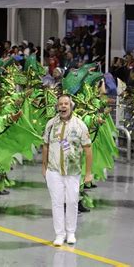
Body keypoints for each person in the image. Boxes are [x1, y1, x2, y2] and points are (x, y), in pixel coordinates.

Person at [42, 94, 93, 246]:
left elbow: (88, 149)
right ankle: (59, 234)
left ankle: (71, 232)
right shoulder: (50, 124)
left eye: (66, 104)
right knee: (57, 202)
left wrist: (88, 173)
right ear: (57, 107)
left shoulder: (80, 125)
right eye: (60, 104)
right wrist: (44, 166)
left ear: (71, 107)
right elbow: (45, 145)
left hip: (73, 171)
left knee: (72, 202)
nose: (63, 106)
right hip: (53, 170)